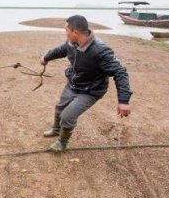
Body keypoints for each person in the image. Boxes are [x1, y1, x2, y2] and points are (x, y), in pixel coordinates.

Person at [40, 15, 132, 152]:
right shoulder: (71, 42)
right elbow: (60, 50)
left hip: (91, 90)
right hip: (73, 84)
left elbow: (120, 72)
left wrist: (124, 100)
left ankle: (62, 142)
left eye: (66, 30)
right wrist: (46, 57)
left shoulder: (101, 50)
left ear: (75, 32)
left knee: (67, 116)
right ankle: (56, 129)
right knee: (60, 108)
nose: (65, 33)